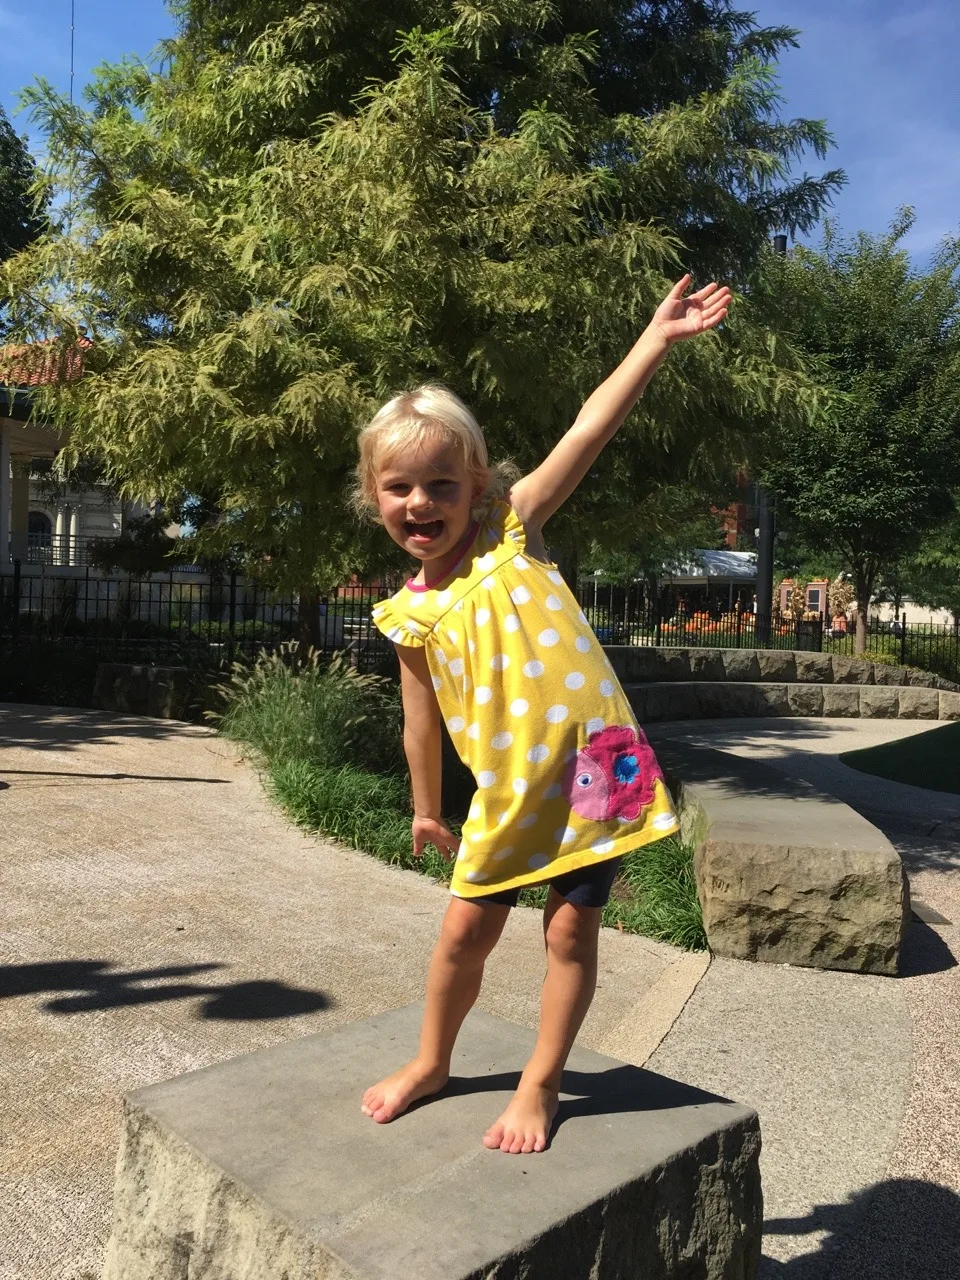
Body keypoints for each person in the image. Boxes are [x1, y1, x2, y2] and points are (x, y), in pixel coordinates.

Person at [352, 274, 730, 1155]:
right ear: (374, 495)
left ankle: (541, 1082)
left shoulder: (510, 531)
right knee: (460, 936)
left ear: (475, 484)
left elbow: (589, 427)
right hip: (508, 790)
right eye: (401, 487)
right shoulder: (407, 614)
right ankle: (432, 1061)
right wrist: (424, 805)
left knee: (569, 931)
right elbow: (421, 720)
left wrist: (654, 341)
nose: (422, 504)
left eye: (442, 484)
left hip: (593, 769)